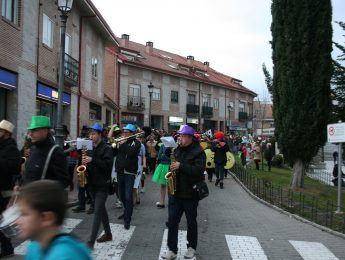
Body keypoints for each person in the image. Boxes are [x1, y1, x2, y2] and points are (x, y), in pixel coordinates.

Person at [15, 180, 92, 260]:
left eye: (24, 214)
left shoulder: (66, 256)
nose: (17, 221)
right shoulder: (35, 245)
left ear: (47, 218)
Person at [161, 125, 206, 260]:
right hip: (175, 192)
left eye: (183, 136)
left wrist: (181, 166)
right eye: (179, 136)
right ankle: (172, 250)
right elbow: (171, 160)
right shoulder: (177, 149)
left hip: (190, 193)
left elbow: (198, 171)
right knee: (172, 221)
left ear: (190, 138)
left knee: (191, 221)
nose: (180, 138)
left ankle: (191, 247)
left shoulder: (199, 152)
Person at [82, 123, 113, 249]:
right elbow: (87, 164)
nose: (91, 136)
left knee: (97, 212)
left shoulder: (107, 148)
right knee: (101, 210)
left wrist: (92, 160)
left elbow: (107, 166)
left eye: (93, 134)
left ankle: (91, 241)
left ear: (100, 135)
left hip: (102, 185)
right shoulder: (89, 148)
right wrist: (83, 163)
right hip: (91, 185)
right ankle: (108, 234)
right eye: (90, 134)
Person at [24, 116, 69, 187]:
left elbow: (64, 181)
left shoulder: (56, 152)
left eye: (34, 130)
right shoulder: (33, 148)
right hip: (29, 196)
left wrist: (44, 191)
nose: (30, 134)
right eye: (30, 131)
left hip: (44, 197)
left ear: (45, 131)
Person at [0, 120, 21, 258]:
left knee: (2, 220)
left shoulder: (11, 148)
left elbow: (14, 167)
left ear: (6, 133)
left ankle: (7, 248)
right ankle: (7, 247)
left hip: (3, 188)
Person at [115, 124, 141, 230]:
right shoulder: (121, 142)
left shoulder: (137, 143)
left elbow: (131, 153)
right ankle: (126, 212)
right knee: (121, 195)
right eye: (124, 132)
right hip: (120, 171)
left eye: (127, 132)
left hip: (130, 172)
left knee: (128, 196)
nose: (124, 134)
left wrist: (124, 143)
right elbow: (114, 152)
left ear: (132, 133)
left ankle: (127, 219)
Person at [152, 143, 171, 208]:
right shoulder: (164, 145)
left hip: (167, 167)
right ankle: (166, 202)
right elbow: (160, 156)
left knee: (167, 185)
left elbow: (160, 156)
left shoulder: (166, 146)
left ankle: (166, 202)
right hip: (166, 166)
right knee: (166, 185)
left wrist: (164, 155)